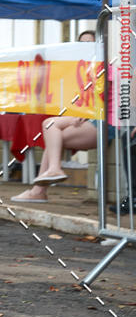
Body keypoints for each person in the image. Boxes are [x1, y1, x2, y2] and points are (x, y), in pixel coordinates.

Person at [12, 30, 101, 203]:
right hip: (86, 116)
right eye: (82, 44)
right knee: (50, 128)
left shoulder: (103, 65)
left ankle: (39, 189)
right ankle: (51, 172)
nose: (86, 47)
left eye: (90, 43)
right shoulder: (80, 68)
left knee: (52, 134)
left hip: (102, 120)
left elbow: (109, 97)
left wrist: (88, 113)